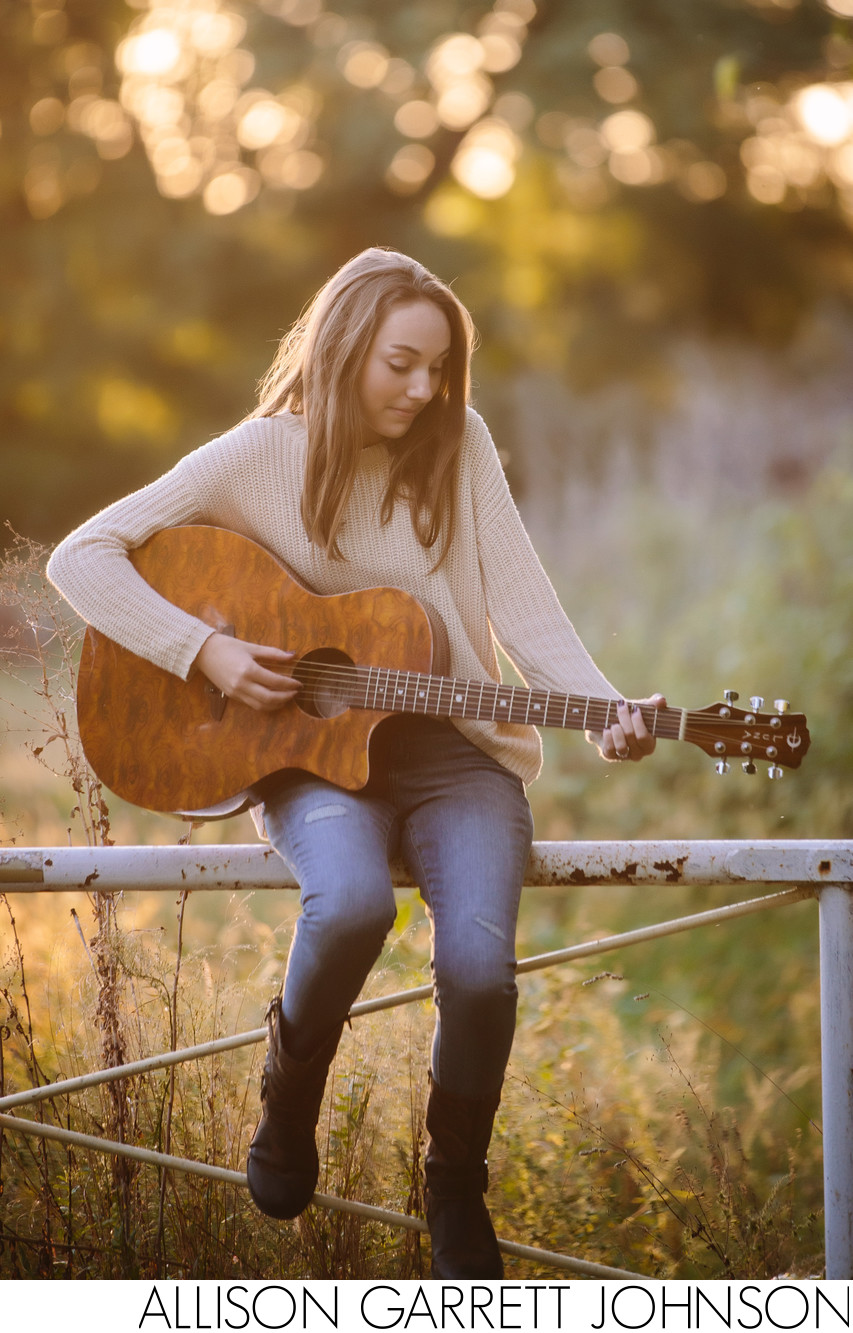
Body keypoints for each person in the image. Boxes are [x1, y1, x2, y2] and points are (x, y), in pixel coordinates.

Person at [47, 248, 663, 1278]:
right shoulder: (255, 455)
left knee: (479, 972)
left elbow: (524, 603)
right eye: (400, 364)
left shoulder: (459, 443)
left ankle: (453, 1182)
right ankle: (288, 1100)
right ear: (340, 352)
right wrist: (205, 651)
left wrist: (604, 708)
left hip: (454, 756)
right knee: (350, 907)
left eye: (439, 368)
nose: (423, 390)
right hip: (308, 759)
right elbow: (81, 556)